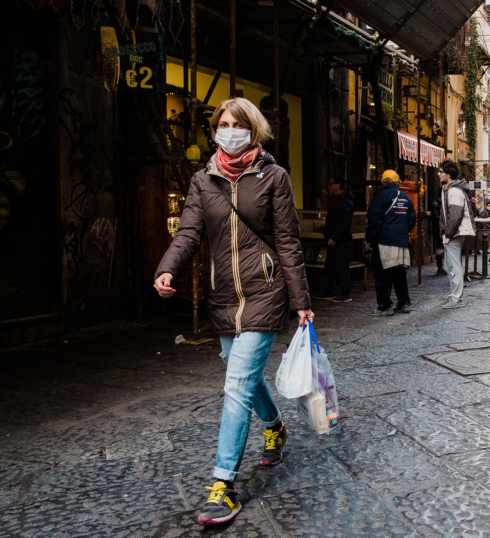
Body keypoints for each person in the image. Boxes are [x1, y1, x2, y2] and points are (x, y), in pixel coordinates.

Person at [153, 97, 312, 526]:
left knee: (236, 384)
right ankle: (275, 425)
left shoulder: (274, 177)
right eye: (221, 123)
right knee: (239, 372)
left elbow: (288, 242)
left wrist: (301, 304)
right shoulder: (203, 181)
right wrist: (167, 268)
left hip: (265, 291)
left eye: (236, 123)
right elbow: (188, 232)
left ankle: (223, 486)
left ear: (252, 129)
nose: (228, 129)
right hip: (223, 295)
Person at [365, 170, 417, 315]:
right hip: (401, 242)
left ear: (383, 182)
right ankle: (404, 303)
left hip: (383, 242)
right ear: (398, 182)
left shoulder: (379, 197)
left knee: (381, 275)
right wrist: (401, 231)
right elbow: (412, 219)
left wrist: (369, 239)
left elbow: (374, 221)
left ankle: (385, 305)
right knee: (399, 274)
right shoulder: (405, 198)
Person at [438, 160, 476, 308]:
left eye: (441, 171)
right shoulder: (450, 189)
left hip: (454, 233)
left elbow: (454, 216)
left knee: (454, 266)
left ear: (448, 174)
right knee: (450, 265)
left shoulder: (454, 191)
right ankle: (453, 295)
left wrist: (448, 234)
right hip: (453, 232)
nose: (438, 174)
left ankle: (456, 298)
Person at [315, 175, 354, 302]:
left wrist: (335, 237)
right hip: (333, 239)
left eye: (331, 184)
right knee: (330, 266)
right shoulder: (336, 201)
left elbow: (345, 224)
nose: (329, 186)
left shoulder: (345, 202)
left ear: (338, 185)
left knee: (342, 267)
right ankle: (328, 291)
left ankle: (344, 293)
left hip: (341, 240)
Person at [431, 195, 447, 276]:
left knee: (441, 247)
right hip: (438, 230)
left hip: (440, 229)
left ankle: (441, 266)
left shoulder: (438, 204)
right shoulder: (436, 204)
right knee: (440, 247)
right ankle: (440, 266)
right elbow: (436, 217)